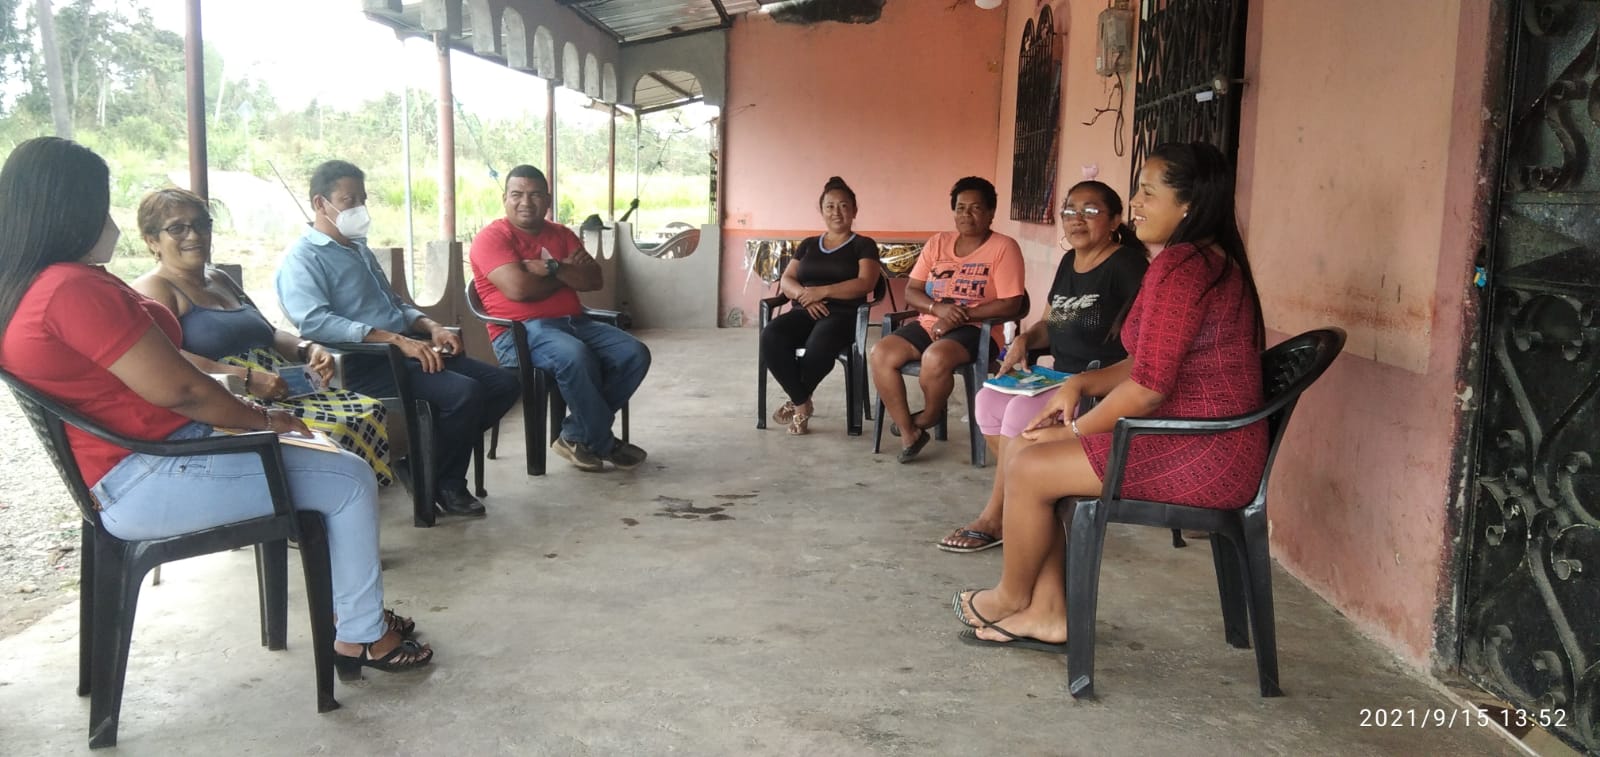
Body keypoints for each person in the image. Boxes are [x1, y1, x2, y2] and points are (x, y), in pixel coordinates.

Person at [0, 137, 431, 674]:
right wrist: (266, 420)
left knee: (329, 449)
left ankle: (357, 615)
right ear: (70, 209)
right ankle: (363, 635)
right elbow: (181, 389)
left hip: (140, 462)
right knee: (349, 477)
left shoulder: (28, 287)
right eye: (101, 205)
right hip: (151, 470)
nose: (108, 221)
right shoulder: (69, 289)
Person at [952, 142, 1267, 651]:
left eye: (1148, 192)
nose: (1136, 203)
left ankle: (1010, 596)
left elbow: (1147, 391)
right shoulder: (1195, 261)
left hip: (1202, 453)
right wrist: (1079, 385)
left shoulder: (1184, 267)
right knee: (1029, 452)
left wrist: (1074, 430)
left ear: (1189, 204)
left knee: (1030, 466)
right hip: (1193, 440)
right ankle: (1049, 613)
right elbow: (1145, 362)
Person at [276, 160, 518, 516]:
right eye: (348, 200)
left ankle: (422, 465)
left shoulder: (359, 249)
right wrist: (395, 340)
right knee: (464, 394)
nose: (359, 208)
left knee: (503, 385)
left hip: (405, 350)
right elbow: (315, 322)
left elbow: (395, 305)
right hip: (363, 361)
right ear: (319, 203)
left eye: (362, 199)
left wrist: (430, 327)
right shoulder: (303, 258)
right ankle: (448, 483)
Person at [129, 187, 394, 486]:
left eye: (202, 224)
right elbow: (167, 359)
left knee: (369, 409)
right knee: (329, 434)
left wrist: (308, 349)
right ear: (152, 240)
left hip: (284, 387)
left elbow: (270, 332)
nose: (194, 235)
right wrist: (246, 378)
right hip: (235, 398)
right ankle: (321, 505)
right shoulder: (155, 288)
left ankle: (352, 498)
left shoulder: (219, 278)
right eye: (177, 228)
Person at [939, 181, 1147, 552]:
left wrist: (1086, 381)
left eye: (1090, 211)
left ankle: (997, 516)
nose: (1077, 219)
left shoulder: (1127, 266)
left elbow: (1145, 348)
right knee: (987, 401)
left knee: (1020, 413)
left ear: (1115, 220)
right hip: (1056, 378)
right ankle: (1036, 495)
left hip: (1098, 386)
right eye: (1069, 210)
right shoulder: (1070, 261)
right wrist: (1024, 341)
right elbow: (1048, 323)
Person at [469, 165, 651, 472]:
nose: (526, 202)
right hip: (520, 333)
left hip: (574, 323)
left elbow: (593, 280)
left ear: (548, 199)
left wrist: (552, 268)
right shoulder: (492, 238)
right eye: (517, 194)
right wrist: (566, 273)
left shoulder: (561, 234)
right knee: (575, 356)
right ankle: (602, 441)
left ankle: (577, 434)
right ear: (505, 199)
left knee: (634, 353)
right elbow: (519, 289)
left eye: (535, 194)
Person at [869, 176, 1026, 463]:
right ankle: (909, 432)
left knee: (935, 358)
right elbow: (912, 290)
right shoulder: (938, 243)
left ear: (991, 212)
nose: (967, 215)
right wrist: (938, 309)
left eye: (976, 208)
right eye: (960, 208)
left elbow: (1011, 302)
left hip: (977, 329)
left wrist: (960, 316)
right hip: (931, 321)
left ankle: (927, 417)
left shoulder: (1004, 247)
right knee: (881, 353)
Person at [761, 176, 882, 435]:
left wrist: (823, 291)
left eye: (843, 205)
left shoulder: (863, 245)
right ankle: (802, 402)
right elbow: (787, 279)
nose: (836, 212)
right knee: (771, 335)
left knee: (820, 345)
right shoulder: (808, 244)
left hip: (843, 314)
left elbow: (866, 282)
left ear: (854, 210)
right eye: (830, 206)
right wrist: (805, 295)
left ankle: (797, 403)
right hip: (805, 309)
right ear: (821, 210)